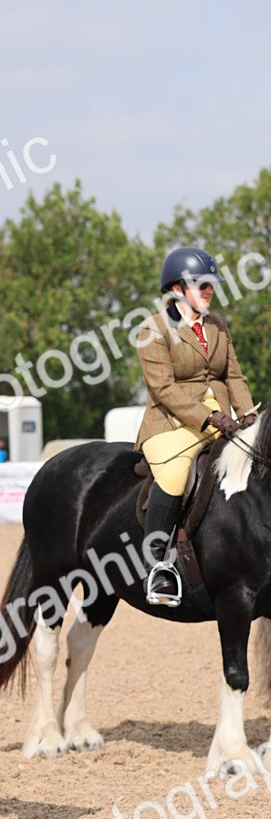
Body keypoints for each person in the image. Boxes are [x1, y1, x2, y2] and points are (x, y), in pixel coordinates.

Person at [134, 245, 257, 607]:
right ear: (176, 289)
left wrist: (245, 413)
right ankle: (157, 563)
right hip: (170, 424)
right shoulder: (152, 330)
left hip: (219, 419)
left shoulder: (217, 325)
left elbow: (233, 374)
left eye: (211, 285)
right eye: (200, 285)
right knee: (175, 473)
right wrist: (209, 417)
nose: (209, 291)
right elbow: (164, 389)